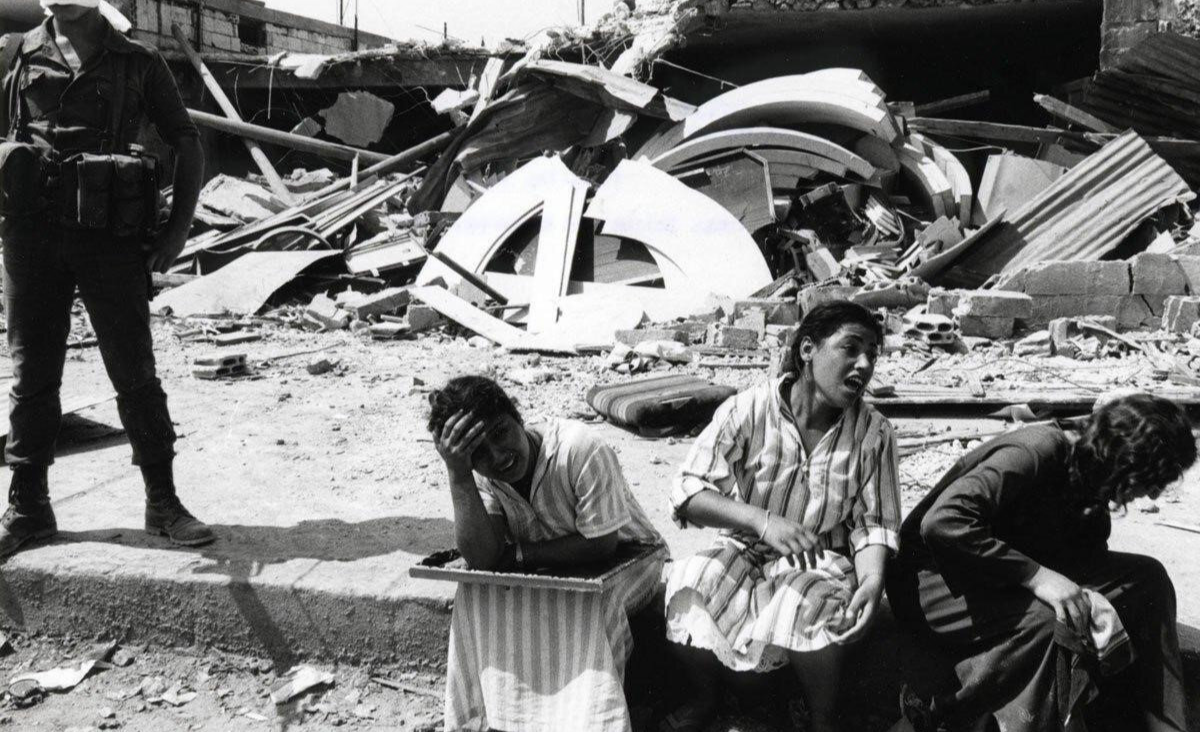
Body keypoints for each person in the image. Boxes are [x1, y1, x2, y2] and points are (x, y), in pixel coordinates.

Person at [0, 0, 209, 556]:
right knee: (33, 374)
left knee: (133, 370)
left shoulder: (138, 62)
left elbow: (187, 142)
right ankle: (28, 509)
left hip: (110, 239)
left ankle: (163, 503)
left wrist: (176, 231)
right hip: (32, 238)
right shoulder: (16, 55)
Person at [886, 393, 1196, 732]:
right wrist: (1037, 577)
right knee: (1051, 619)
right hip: (932, 583)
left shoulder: (1093, 477)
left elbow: (1085, 553)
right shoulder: (1038, 448)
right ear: (1127, 458)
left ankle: (1165, 724)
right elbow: (943, 523)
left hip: (995, 574)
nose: (1152, 495)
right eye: (1153, 480)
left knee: (1148, 579)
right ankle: (947, 712)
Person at [662, 300, 901, 732]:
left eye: (872, 354)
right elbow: (687, 490)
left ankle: (822, 720)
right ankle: (705, 697)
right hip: (747, 548)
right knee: (690, 580)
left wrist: (871, 581)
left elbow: (875, 525)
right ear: (808, 349)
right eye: (850, 348)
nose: (865, 365)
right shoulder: (748, 409)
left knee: (799, 598)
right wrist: (761, 521)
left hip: (819, 561)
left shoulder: (874, 433)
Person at [428, 374, 666, 732]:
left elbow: (601, 544)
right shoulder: (477, 474)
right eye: (478, 453)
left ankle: (592, 722)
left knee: (585, 605)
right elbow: (484, 558)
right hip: (555, 571)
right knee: (475, 594)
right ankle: (497, 719)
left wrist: (519, 555)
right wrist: (458, 474)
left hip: (632, 561)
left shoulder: (579, 448)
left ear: (517, 416)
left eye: (500, 433)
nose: (498, 456)